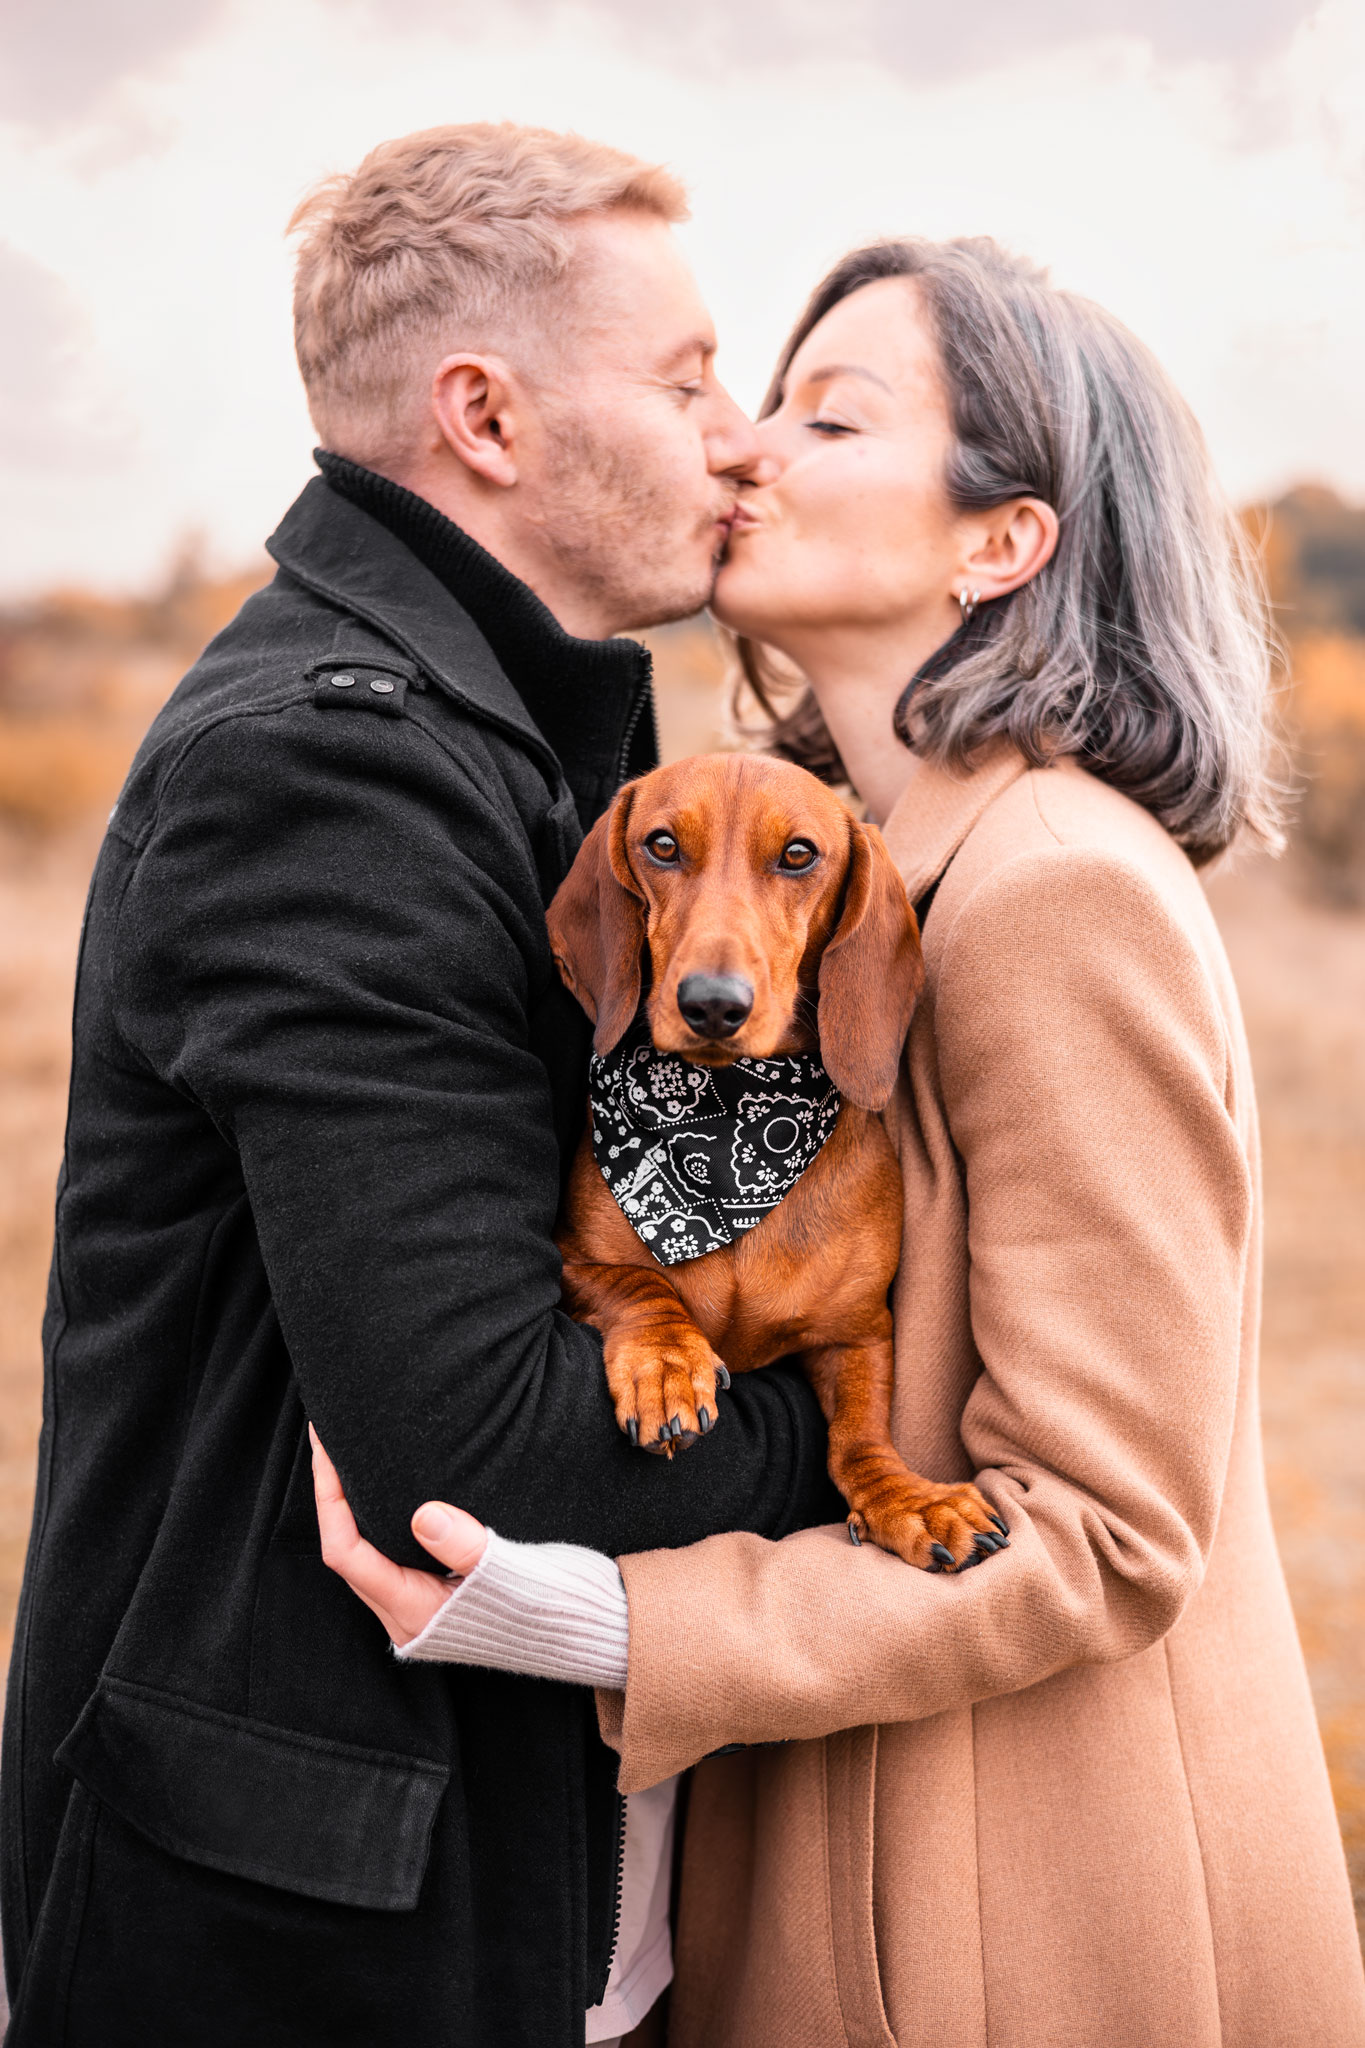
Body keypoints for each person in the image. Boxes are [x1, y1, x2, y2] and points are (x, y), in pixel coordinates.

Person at [316, 237, 1365, 2045]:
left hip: (1006, 1918)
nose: (743, 449)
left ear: (999, 542)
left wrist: (612, 1625)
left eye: (823, 414)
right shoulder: (864, 859)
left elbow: (1109, 1530)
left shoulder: (1048, 892)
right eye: (742, 401)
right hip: (862, 1844)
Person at [0, 124, 846, 2048]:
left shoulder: (506, 750)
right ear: (484, 413)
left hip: (486, 1870)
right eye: (685, 376)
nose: (737, 436)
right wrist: (863, 1444)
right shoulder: (331, 771)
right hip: (303, 1927)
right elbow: (487, 1444)